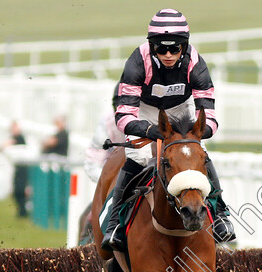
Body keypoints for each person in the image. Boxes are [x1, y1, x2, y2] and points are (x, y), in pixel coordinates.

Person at [101, 8, 235, 253]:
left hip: (180, 108)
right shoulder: (136, 61)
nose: (169, 55)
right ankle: (114, 225)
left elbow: (210, 114)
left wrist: (195, 135)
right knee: (138, 156)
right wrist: (149, 129)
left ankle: (222, 214)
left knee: (197, 152)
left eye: (175, 48)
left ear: (184, 46)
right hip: (143, 109)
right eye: (162, 49)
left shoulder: (196, 62)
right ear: (152, 46)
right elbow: (123, 116)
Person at [0, 121, 30, 217]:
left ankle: (23, 211)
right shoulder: (14, 138)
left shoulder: (20, 138)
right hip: (18, 168)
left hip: (23, 168)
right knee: (17, 190)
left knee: (20, 189)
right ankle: (21, 211)